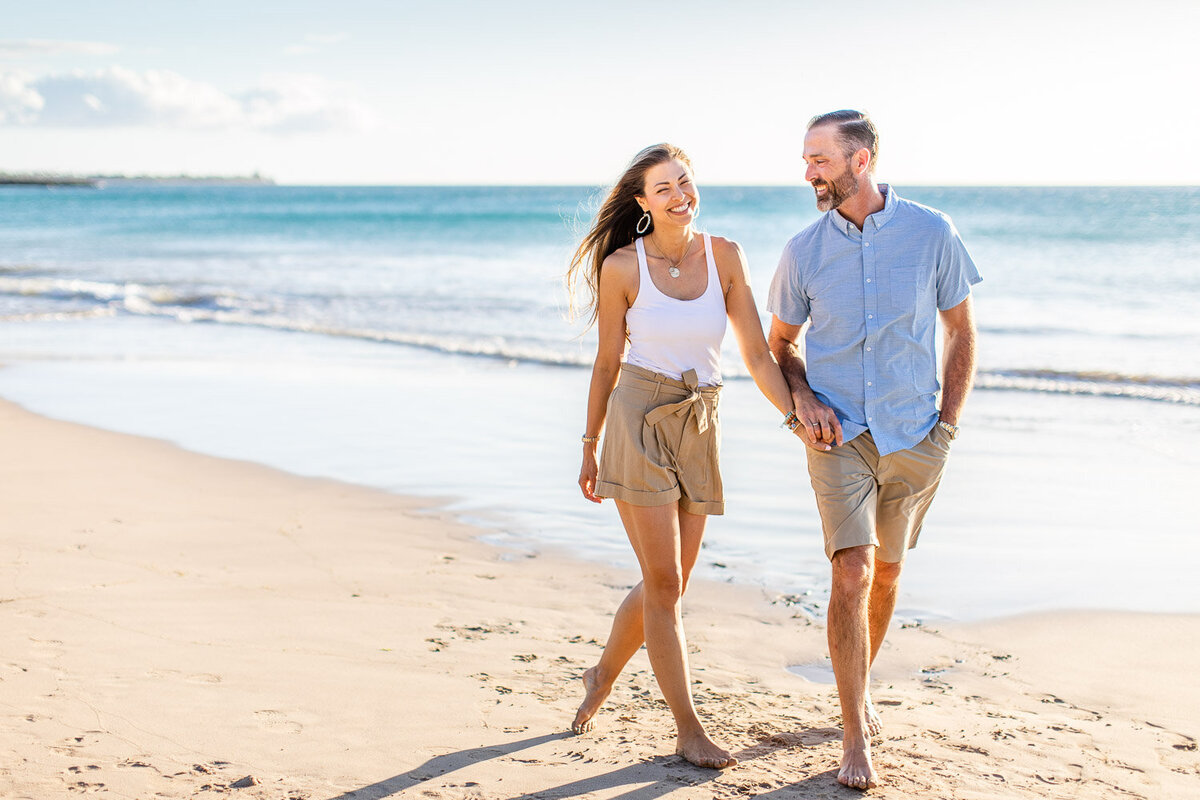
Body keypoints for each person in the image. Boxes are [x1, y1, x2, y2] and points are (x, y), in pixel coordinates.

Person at [567, 143, 803, 769]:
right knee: (665, 584)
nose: (679, 196)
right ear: (643, 203)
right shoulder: (621, 267)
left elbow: (755, 354)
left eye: (685, 182)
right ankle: (688, 729)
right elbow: (607, 363)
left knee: (666, 583)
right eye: (663, 188)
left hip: (701, 419)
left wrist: (794, 414)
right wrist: (589, 447)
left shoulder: (725, 255)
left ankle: (601, 677)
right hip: (638, 417)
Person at [766, 110, 981, 789]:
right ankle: (855, 734)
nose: (808, 172)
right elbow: (780, 346)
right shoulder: (803, 249)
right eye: (806, 159)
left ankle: (854, 695)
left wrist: (946, 426)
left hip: (915, 434)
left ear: (861, 159)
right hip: (837, 435)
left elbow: (961, 333)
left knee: (887, 575)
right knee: (852, 573)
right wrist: (801, 398)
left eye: (819, 159)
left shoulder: (932, 232)